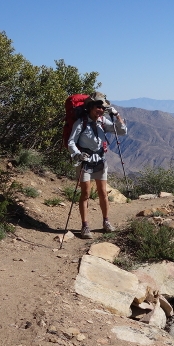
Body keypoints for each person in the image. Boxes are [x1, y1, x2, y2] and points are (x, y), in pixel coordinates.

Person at [67, 92, 128, 239]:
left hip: (100, 160)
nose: (100, 110)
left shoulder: (103, 121)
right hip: (85, 162)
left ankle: (106, 222)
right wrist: (77, 154)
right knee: (85, 194)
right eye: (97, 107)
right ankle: (85, 225)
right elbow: (71, 142)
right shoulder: (80, 123)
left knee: (103, 193)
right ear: (90, 107)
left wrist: (117, 115)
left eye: (102, 107)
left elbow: (122, 131)